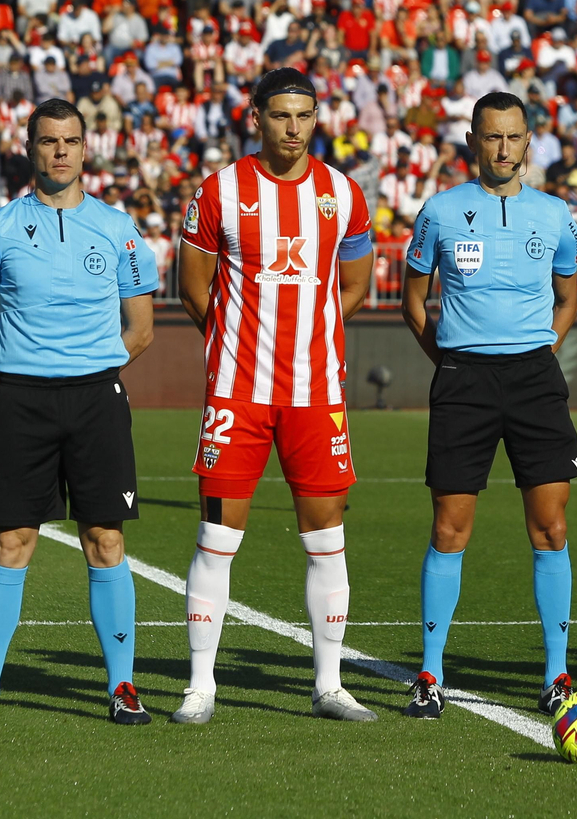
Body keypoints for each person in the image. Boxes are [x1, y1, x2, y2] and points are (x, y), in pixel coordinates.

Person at [173, 68, 377, 725]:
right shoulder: (221, 191)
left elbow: (353, 287)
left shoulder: (344, 194)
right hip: (239, 392)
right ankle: (200, 685)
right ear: (255, 116)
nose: (294, 127)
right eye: (282, 115)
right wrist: (237, 340)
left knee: (327, 537)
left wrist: (308, 341)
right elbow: (193, 287)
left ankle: (328, 684)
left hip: (317, 394)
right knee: (216, 536)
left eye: (305, 115)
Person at [0, 98, 160, 725]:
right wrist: (23, 370)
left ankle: (121, 687)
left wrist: (87, 368)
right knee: (13, 540)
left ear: (85, 148)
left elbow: (142, 330)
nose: (60, 151)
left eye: (70, 141)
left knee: (106, 539)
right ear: (30, 148)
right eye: (49, 141)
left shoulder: (119, 228)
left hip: (97, 399)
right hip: (22, 403)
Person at [398, 91, 577, 719]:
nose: (504, 149)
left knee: (551, 528)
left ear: (528, 141)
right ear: (473, 141)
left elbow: (568, 298)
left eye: (514, 137)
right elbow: (415, 299)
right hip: (464, 380)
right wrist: (453, 360)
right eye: (492, 137)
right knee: (449, 527)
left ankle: (556, 674)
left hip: (535, 379)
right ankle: (430, 672)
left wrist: (539, 354)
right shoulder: (440, 212)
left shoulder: (557, 215)